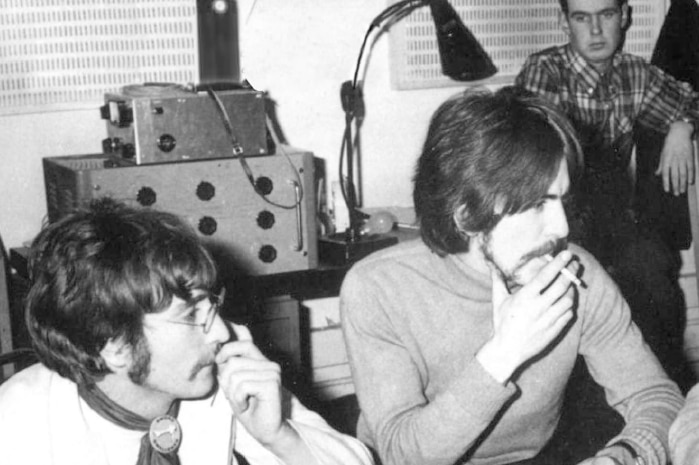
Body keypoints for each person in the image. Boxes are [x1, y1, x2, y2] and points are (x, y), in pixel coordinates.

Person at [340, 87, 684, 465]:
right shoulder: (377, 288)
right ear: (467, 215)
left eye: (561, 201)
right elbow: (399, 455)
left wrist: (621, 458)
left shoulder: (576, 273)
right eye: (538, 205)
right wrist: (503, 354)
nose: (562, 227)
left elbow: (656, 397)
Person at [0, 197, 374, 465]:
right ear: (115, 347)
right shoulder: (18, 424)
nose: (222, 334)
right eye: (190, 315)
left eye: (211, 304)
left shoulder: (219, 383)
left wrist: (279, 436)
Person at [514, 0, 699, 391]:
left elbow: (688, 98)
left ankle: (660, 391)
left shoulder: (634, 73)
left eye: (607, 15)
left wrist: (681, 126)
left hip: (615, 220)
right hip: (555, 220)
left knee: (654, 270)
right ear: (564, 22)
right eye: (582, 17)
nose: (596, 31)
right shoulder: (545, 72)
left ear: (626, 17)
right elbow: (541, 159)